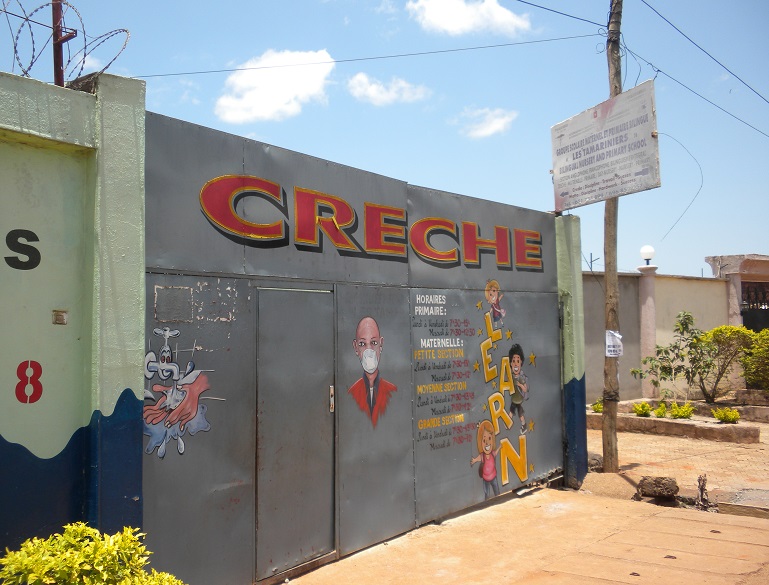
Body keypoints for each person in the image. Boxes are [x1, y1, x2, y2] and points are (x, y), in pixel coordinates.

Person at [348, 316, 397, 427]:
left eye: (374, 343)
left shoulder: (393, 392)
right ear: (355, 347)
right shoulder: (351, 394)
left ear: (381, 344)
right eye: (362, 344)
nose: (368, 351)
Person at [470, 420, 500, 499]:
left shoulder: (492, 453)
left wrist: (500, 447)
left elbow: (495, 452)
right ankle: (487, 502)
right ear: (480, 443)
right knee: (487, 494)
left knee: (497, 491)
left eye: (489, 439)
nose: (487, 443)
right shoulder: (482, 456)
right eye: (484, 440)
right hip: (485, 479)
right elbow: (478, 458)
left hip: (493, 477)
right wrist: (474, 460)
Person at [508, 343, 529, 434]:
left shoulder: (521, 378)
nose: (515, 364)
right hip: (514, 400)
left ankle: (524, 426)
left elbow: (525, 389)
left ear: (521, 362)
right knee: (511, 412)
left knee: (520, 414)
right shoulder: (510, 376)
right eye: (513, 361)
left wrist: (520, 385)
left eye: (518, 361)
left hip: (519, 400)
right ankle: (507, 423)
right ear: (510, 363)